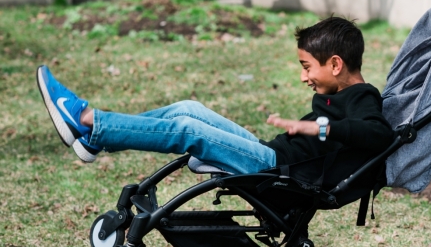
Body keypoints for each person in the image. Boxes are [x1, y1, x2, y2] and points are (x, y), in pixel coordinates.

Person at [37, 16, 394, 174]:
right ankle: (95, 140)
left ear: (335, 64)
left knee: (188, 130)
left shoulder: (363, 96)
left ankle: (86, 120)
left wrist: (318, 128)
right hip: (268, 153)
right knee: (188, 108)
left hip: (274, 170)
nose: (303, 77)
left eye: (307, 66)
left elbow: (379, 136)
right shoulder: (338, 90)